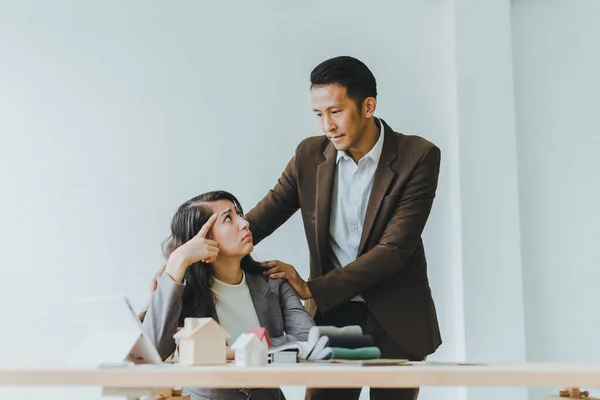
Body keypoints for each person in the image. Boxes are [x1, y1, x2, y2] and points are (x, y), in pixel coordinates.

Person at [244, 56, 442, 400]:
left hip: (396, 318)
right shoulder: (309, 155)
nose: (327, 125)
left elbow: (393, 251)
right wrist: (190, 254)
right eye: (319, 114)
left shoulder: (418, 156)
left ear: (368, 106)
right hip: (337, 317)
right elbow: (262, 218)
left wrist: (310, 288)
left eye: (335, 112)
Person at [143, 190, 314, 400]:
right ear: (202, 240)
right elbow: (152, 354)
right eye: (228, 218)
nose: (244, 223)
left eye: (238, 214)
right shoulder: (182, 290)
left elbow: (309, 342)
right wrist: (177, 261)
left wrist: (237, 350)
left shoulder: (275, 281)